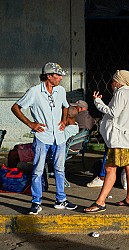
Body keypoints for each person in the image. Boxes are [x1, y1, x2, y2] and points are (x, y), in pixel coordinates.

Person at [11, 62, 77, 215]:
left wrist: (64, 119)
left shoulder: (60, 91)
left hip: (59, 137)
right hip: (42, 136)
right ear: (49, 76)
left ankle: (61, 199)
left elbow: (65, 106)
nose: (60, 78)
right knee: (38, 170)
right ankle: (36, 201)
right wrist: (30, 123)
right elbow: (15, 107)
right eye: (58, 75)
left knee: (60, 169)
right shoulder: (34, 92)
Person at [84, 70, 129, 213]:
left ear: (119, 82)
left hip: (119, 139)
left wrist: (98, 102)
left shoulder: (121, 93)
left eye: (113, 81)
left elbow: (113, 112)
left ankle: (100, 202)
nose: (111, 83)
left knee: (110, 169)